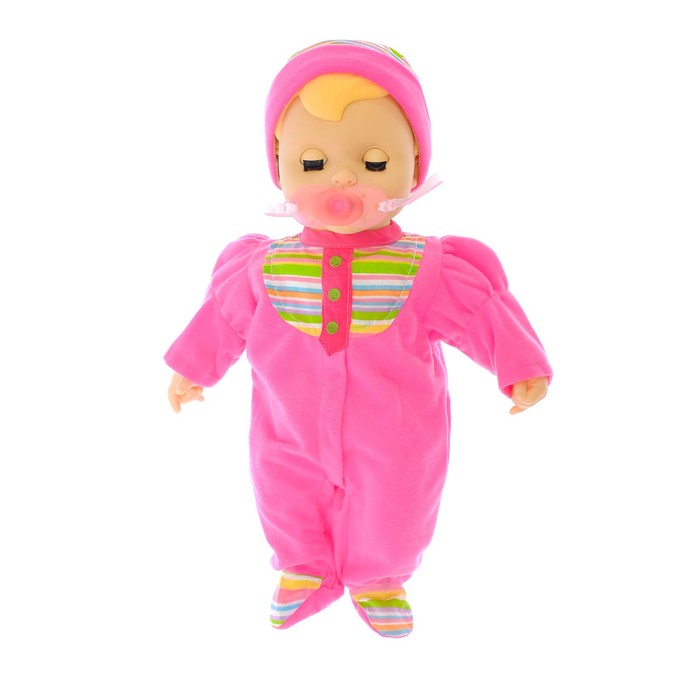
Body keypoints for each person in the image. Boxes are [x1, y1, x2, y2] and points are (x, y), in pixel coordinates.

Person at [165, 39, 552, 638]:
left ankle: (379, 578)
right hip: (287, 426)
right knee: (284, 491)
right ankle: (305, 569)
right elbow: (221, 318)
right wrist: (193, 368)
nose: (341, 179)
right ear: (280, 166)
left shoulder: (426, 266)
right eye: (312, 164)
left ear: (413, 166)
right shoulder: (264, 267)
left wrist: (518, 365)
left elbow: (483, 312)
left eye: (373, 163)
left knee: (397, 505)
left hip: (398, 431)